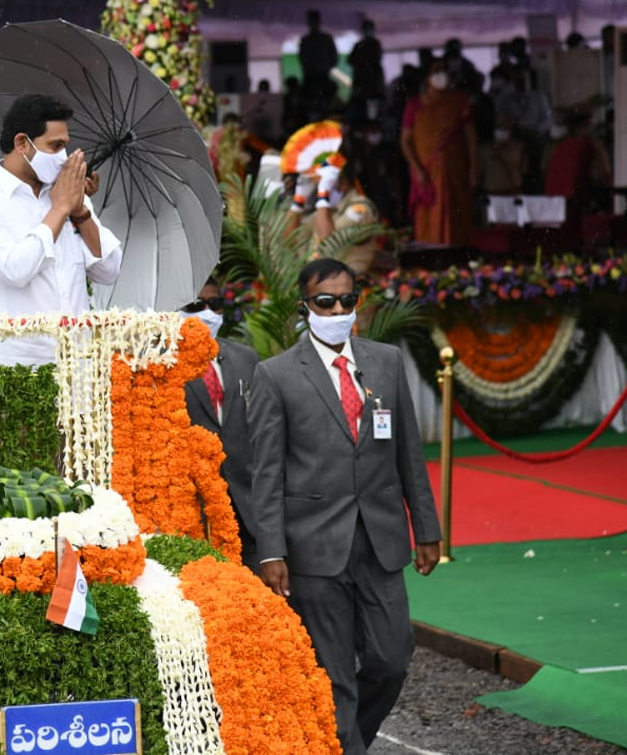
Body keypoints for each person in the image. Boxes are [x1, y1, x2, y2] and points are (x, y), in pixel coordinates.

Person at [248, 259, 441, 755]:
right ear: (304, 307)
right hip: (313, 548)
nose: (337, 310)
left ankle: (343, 741)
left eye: (346, 300)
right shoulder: (276, 375)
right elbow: (267, 473)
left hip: (381, 540)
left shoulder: (387, 362)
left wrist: (426, 527)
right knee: (334, 678)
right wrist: (271, 551)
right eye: (324, 302)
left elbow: (408, 455)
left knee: (391, 660)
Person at [0, 93, 122, 367]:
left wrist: (80, 213)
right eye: (55, 146)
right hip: (14, 370)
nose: (64, 157)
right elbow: (16, 270)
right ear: (22, 143)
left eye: (66, 146)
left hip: (78, 364)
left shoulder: (66, 195)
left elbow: (109, 270)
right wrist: (60, 210)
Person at [180, 280, 259, 568]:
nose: (207, 313)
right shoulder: (159, 361)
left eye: (215, 305)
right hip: (192, 508)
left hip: (248, 508)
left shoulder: (246, 358)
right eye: (195, 306)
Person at [400, 59, 477, 245]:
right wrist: (417, 169)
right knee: (427, 212)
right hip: (426, 170)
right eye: (436, 71)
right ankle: (429, 252)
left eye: (444, 70)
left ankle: (457, 252)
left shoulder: (459, 102)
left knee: (456, 210)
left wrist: (474, 168)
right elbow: (405, 141)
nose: (441, 75)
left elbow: (471, 139)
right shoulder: (415, 105)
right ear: (427, 78)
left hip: (455, 169)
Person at [312, 163, 381, 276]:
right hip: (327, 281)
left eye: (324, 185)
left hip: (350, 284)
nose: (317, 191)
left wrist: (323, 197)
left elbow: (327, 238)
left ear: (343, 183)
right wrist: (297, 202)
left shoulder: (361, 209)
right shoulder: (330, 209)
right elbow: (290, 235)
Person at [299, 9, 338, 108]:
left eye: (314, 21)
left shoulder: (325, 39)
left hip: (321, 76)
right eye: (312, 21)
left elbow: (333, 57)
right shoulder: (306, 40)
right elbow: (302, 58)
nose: (313, 24)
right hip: (312, 77)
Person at [480, 115, 527, 196]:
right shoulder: (485, 150)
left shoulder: (519, 149)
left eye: (505, 127)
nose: (502, 130)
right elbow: (479, 174)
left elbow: (523, 172)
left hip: (512, 195)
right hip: (491, 195)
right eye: (499, 127)